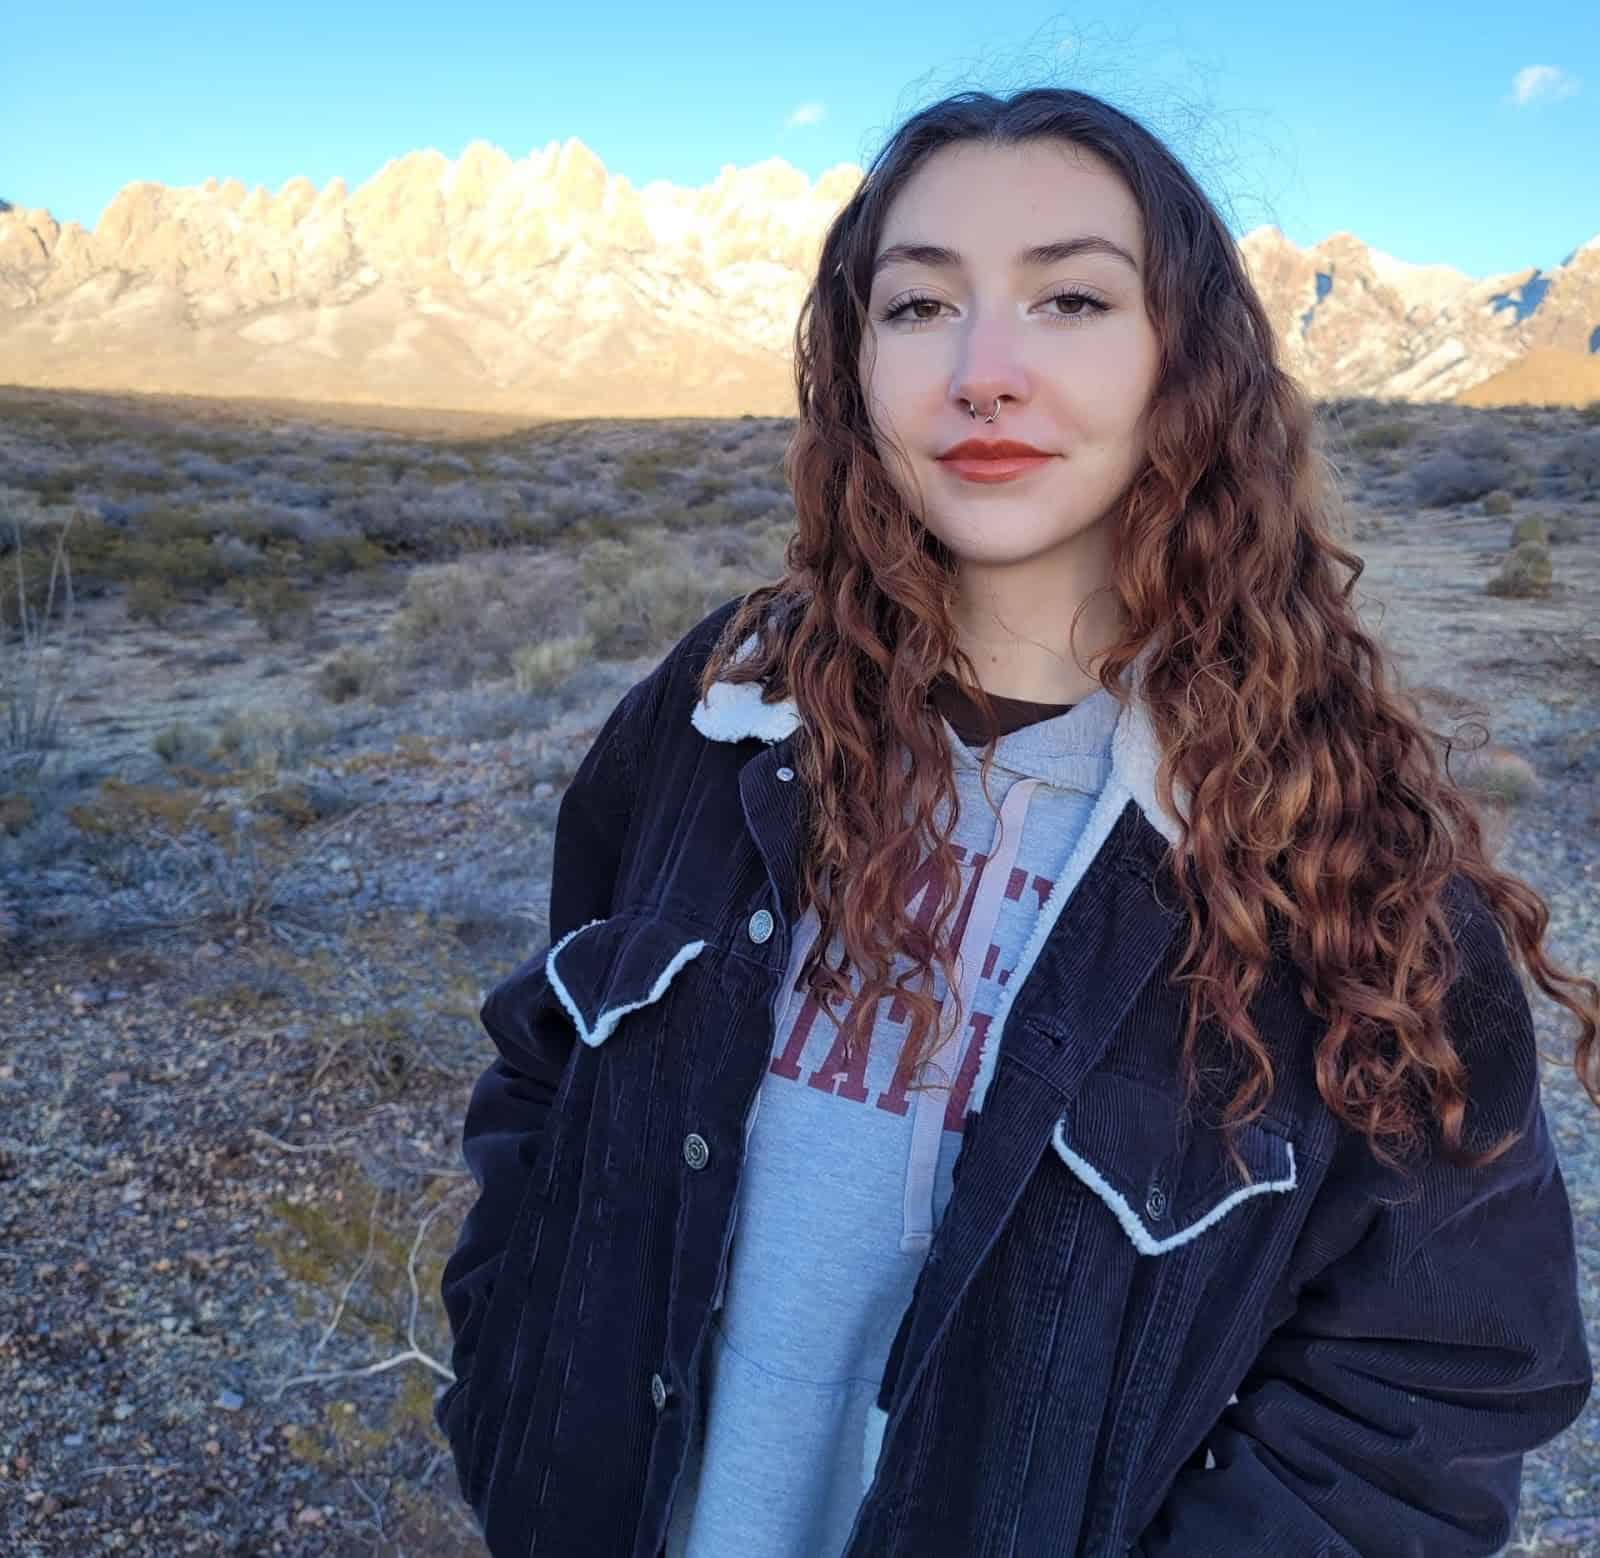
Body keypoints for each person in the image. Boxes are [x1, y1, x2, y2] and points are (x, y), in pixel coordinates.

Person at [434, 86, 1597, 1558]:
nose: (985, 371)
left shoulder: (1335, 854)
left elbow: (1437, 1376)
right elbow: (550, 1067)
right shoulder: (722, 713)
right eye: (920, 306)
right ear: (854, 362)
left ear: (1188, 359)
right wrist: (514, 1385)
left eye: (1070, 298)